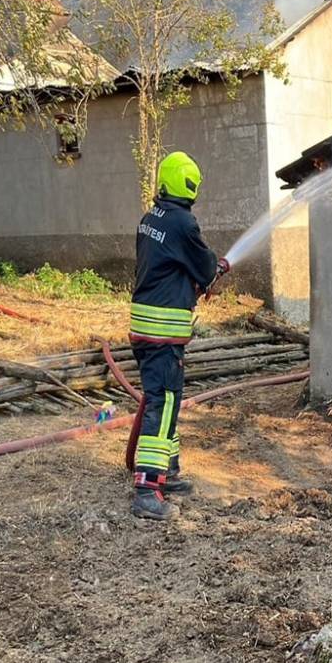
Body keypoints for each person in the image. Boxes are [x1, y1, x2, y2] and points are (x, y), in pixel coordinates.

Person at [129, 151, 228, 520]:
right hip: (163, 333)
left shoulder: (150, 218)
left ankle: (166, 470)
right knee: (164, 402)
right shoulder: (183, 223)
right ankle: (147, 489)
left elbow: (169, 265)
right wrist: (216, 268)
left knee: (164, 399)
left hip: (143, 327)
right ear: (190, 185)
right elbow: (204, 268)